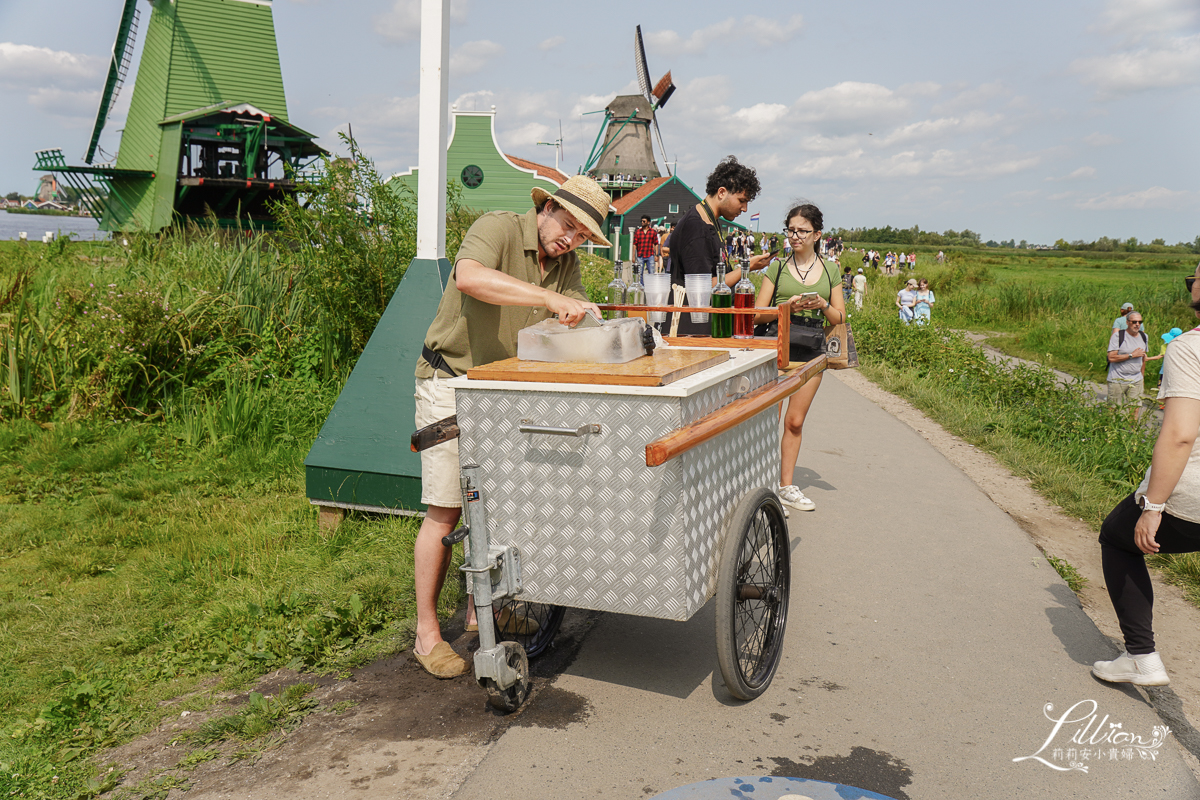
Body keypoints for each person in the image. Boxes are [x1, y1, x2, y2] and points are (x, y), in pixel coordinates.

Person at [411, 175, 611, 678]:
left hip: (502, 389)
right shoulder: (498, 227)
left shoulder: (565, 264)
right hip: (451, 379)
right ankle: (427, 633)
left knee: (503, 503)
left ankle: (491, 610)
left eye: (583, 236)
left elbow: (579, 318)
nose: (571, 240)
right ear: (546, 207)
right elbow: (469, 278)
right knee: (447, 509)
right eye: (568, 226)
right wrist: (547, 301)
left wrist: (591, 324)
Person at [1093, 265, 1200, 687]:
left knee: (1118, 537)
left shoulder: (1189, 348)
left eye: (1198, 273)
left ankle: (1141, 656)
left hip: (1191, 498)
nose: (1193, 281)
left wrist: (1153, 507)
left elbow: (1180, 434)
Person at [750, 202, 846, 513]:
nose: (795, 236)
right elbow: (756, 317)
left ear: (818, 234)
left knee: (794, 421)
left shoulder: (831, 270)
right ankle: (761, 487)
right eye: (791, 230)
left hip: (811, 349)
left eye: (802, 231)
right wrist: (787, 306)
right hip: (776, 347)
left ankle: (786, 485)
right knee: (769, 420)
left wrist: (820, 304)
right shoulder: (776, 267)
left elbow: (839, 317)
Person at [668, 156, 772, 334]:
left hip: (704, 326)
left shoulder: (709, 221)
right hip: (693, 330)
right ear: (722, 192)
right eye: (741, 200)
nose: (745, 208)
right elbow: (704, 287)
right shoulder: (696, 227)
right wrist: (747, 268)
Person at [1106, 311, 1148, 419]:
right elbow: (1111, 357)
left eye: (1140, 322)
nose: (1137, 324)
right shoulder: (1118, 336)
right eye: (1134, 322)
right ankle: (1110, 433)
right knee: (1113, 410)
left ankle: (1131, 433)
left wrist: (1142, 377)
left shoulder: (1144, 336)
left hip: (1136, 379)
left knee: (1134, 409)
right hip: (1117, 379)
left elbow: (1143, 358)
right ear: (1127, 322)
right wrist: (1131, 355)